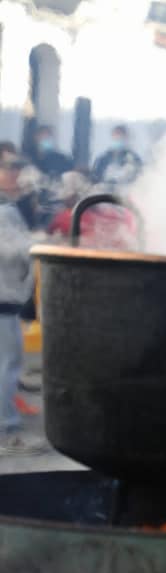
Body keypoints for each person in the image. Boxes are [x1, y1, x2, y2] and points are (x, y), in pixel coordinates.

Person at [0, 148, 42, 452]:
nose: (18, 173)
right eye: (11, 166)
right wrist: (39, 244)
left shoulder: (10, 207)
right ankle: (7, 431)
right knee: (7, 365)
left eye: (19, 166)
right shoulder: (3, 210)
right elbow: (10, 251)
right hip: (3, 301)